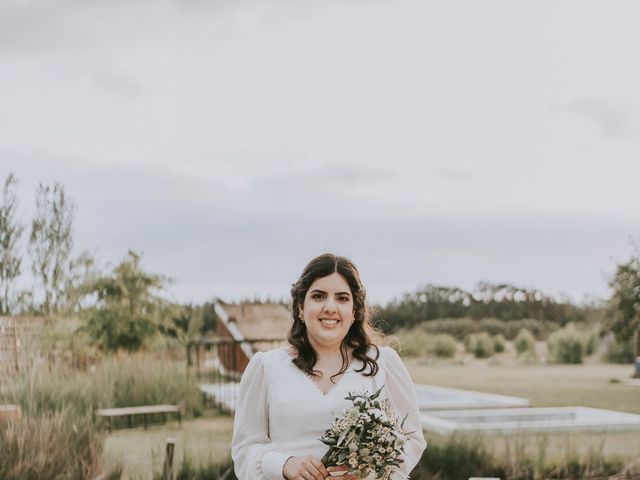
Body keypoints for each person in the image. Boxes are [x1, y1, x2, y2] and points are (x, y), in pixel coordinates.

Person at [231, 253, 426, 480]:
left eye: (342, 298)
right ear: (301, 307)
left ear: (354, 312)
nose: (330, 307)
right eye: (319, 296)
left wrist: (368, 474)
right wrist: (283, 464)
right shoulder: (266, 367)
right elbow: (244, 450)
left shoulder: (383, 364)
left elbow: (411, 440)